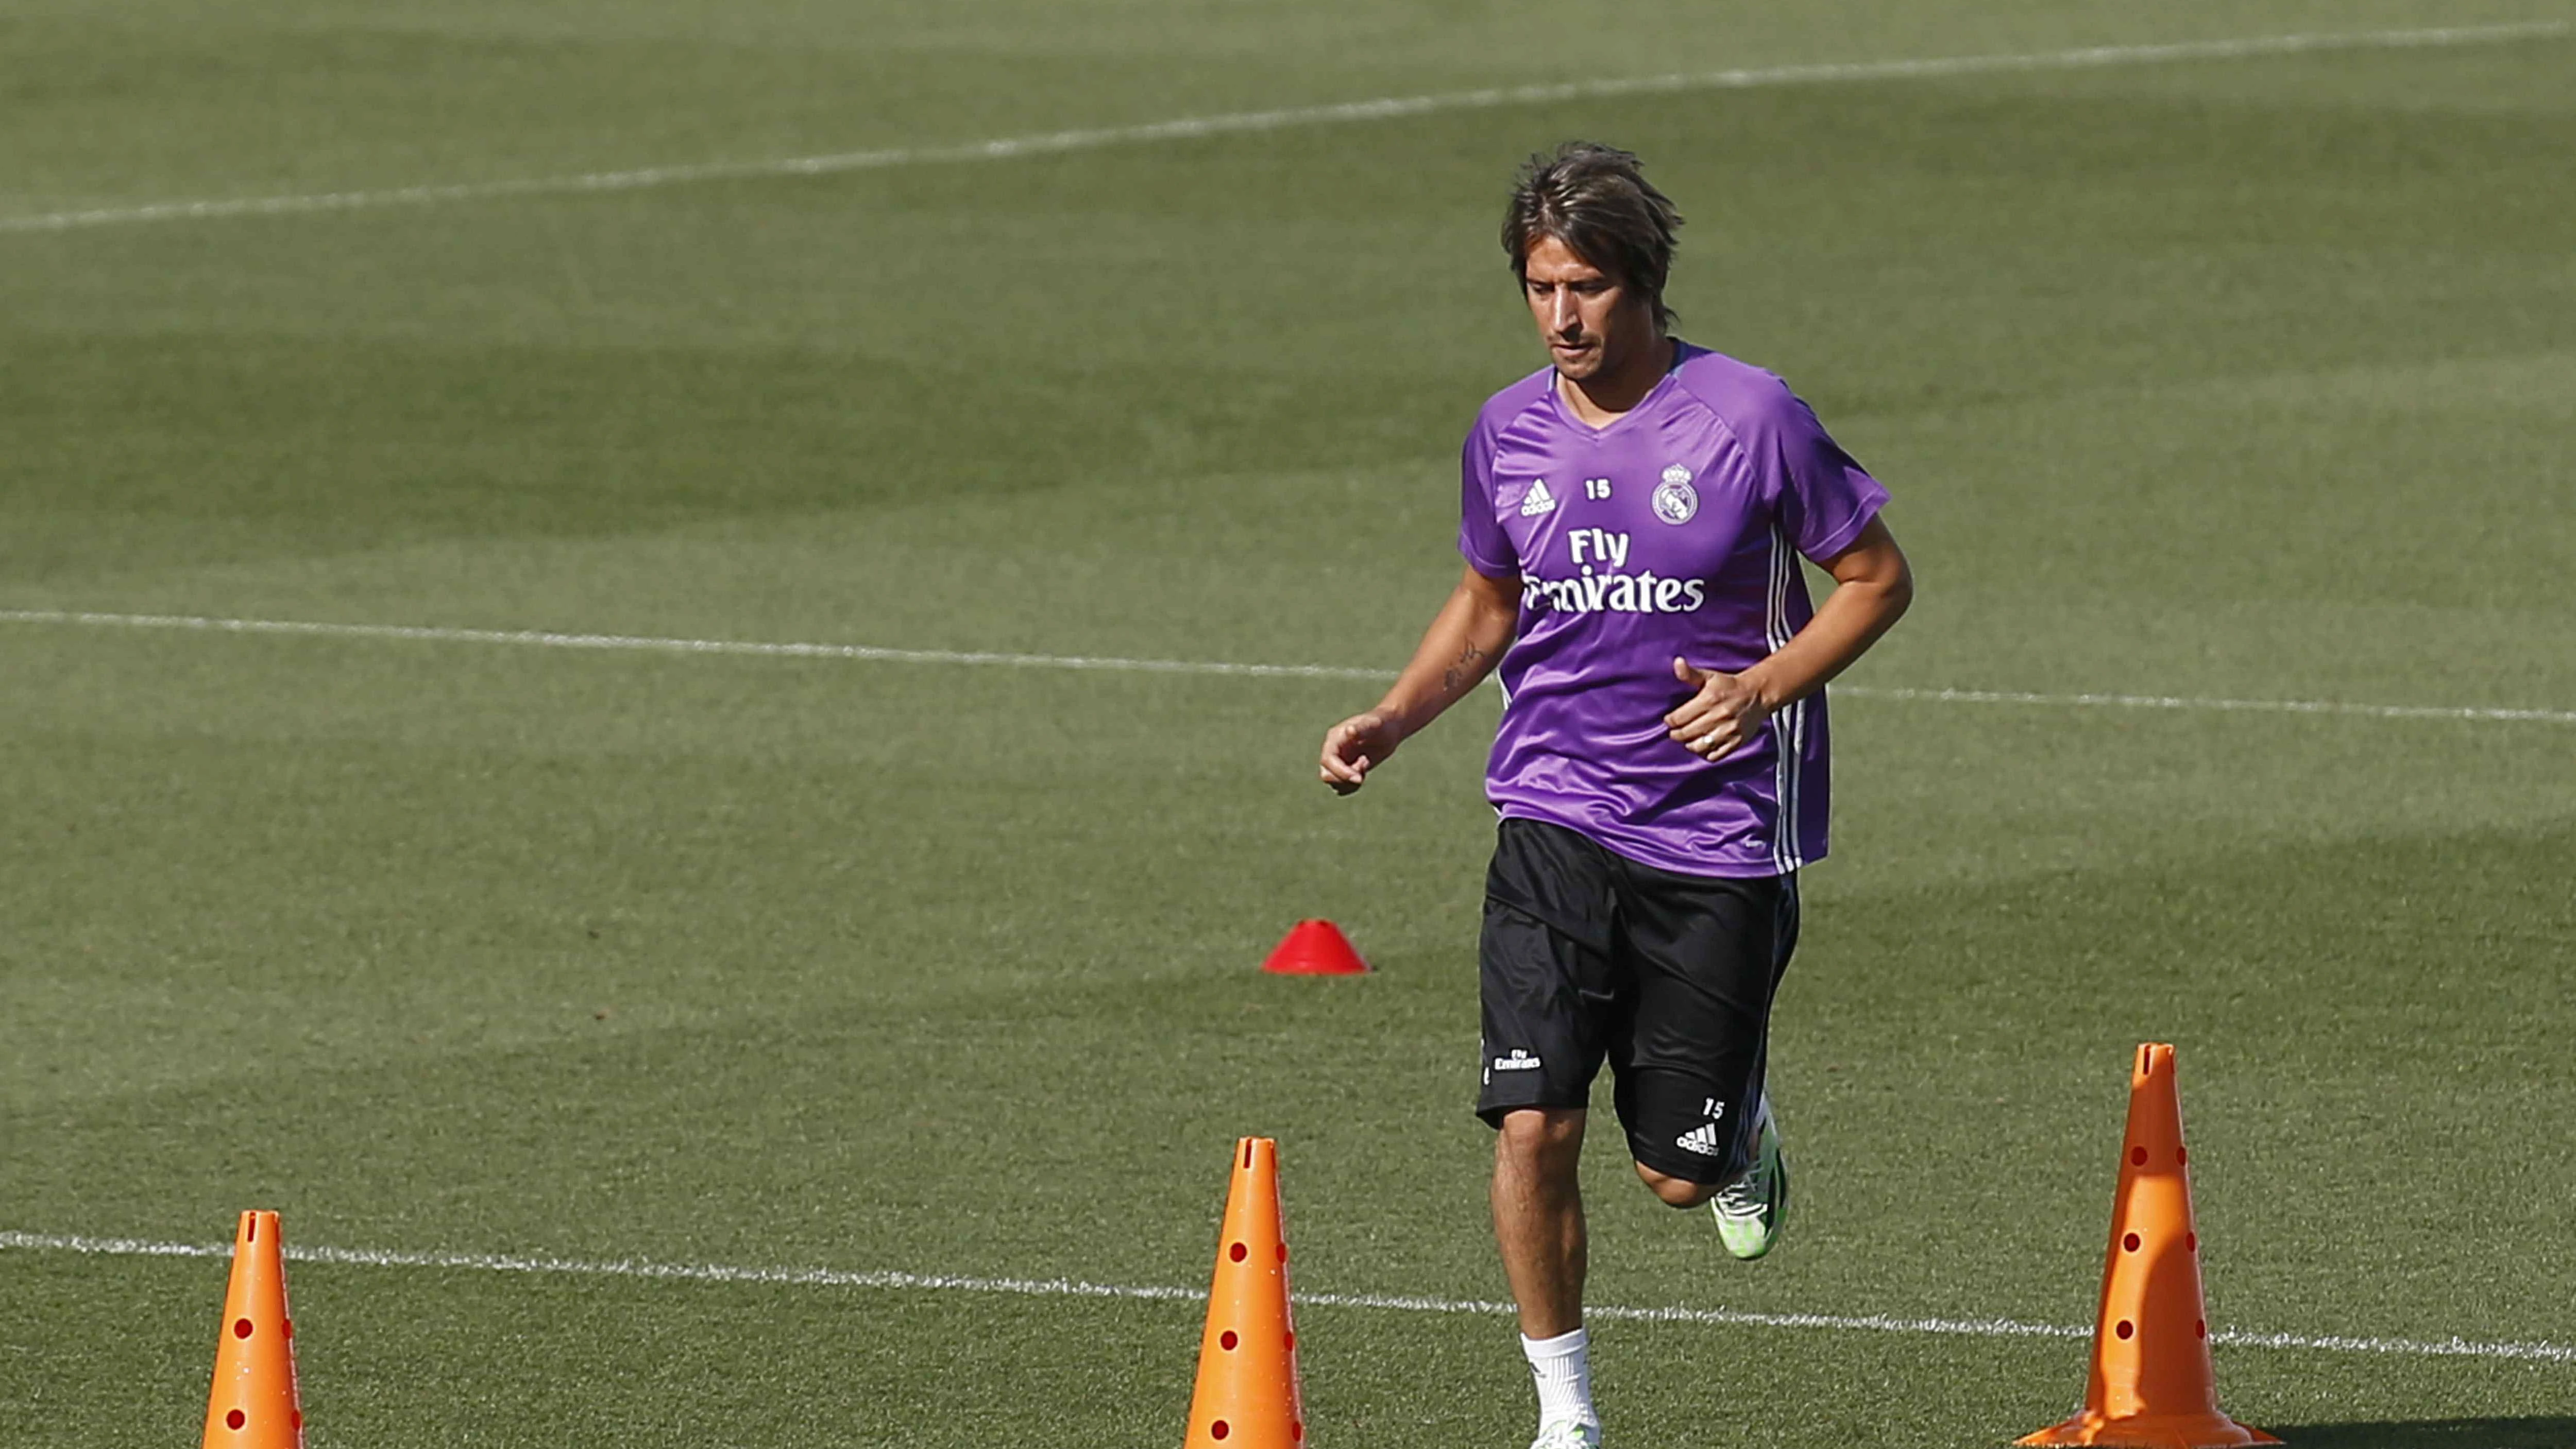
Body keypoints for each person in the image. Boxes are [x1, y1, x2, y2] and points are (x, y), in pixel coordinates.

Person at [1316, 141, 1913, 1449]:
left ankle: (1732, 1127)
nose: (1561, 317)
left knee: (1669, 1173)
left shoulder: (1750, 417)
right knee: (1531, 1120)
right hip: (1552, 810)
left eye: (1584, 286)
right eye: (1539, 288)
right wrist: (1397, 714)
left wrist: (1763, 686)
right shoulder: (1505, 430)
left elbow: (1875, 578)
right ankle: (1566, 1417)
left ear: (1643, 285)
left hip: (1715, 830)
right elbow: (1489, 600)